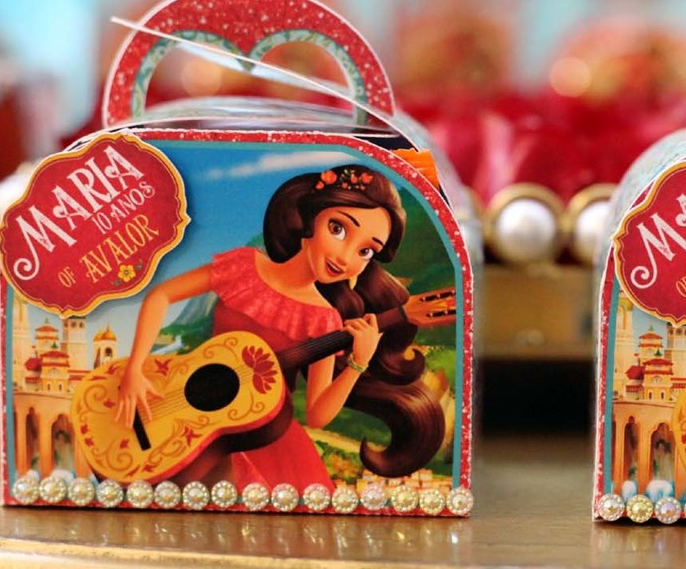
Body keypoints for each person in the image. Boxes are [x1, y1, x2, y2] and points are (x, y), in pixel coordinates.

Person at [116, 164, 450, 487]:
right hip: (194, 415)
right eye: (337, 229)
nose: (345, 257)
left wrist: (357, 364)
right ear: (310, 219)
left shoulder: (323, 317)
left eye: (365, 251)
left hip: (267, 438)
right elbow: (160, 295)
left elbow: (317, 415)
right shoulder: (244, 265)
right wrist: (135, 369)